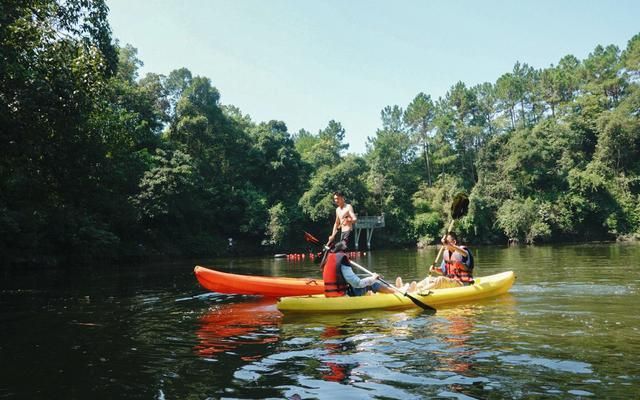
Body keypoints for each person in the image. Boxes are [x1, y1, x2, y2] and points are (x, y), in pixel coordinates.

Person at [396, 232, 474, 292]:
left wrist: (451, 245)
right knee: (428, 279)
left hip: (462, 284)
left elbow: (464, 253)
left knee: (440, 279)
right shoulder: (447, 254)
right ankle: (408, 289)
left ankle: (419, 292)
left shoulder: (463, 251)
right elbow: (443, 271)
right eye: (445, 242)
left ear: (454, 242)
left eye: (447, 242)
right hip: (450, 281)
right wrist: (435, 269)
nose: (445, 244)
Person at [322, 241, 394, 297]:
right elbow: (357, 284)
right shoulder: (342, 259)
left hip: (329, 294)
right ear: (345, 252)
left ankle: (389, 290)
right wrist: (373, 278)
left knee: (365, 280)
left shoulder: (329, 257)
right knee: (373, 284)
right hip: (341, 295)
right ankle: (395, 292)